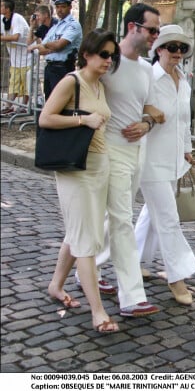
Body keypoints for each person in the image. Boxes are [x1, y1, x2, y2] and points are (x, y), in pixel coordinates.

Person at [79, 3, 164, 318]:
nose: (156, 35)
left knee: (108, 217)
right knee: (121, 221)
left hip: (136, 153)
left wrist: (146, 124)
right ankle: (132, 297)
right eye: (152, 29)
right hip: (108, 150)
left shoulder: (146, 68)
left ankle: (85, 271)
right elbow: (83, 90)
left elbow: (151, 110)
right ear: (133, 27)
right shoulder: (108, 63)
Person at [40, 28, 121, 333]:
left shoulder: (99, 85)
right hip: (75, 168)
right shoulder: (71, 82)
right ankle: (98, 312)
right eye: (103, 54)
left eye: (111, 56)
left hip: (99, 166)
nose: (108, 60)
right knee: (86, 240)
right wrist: (82, 119)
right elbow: (45, 118)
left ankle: (56, 286)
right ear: (86, 53)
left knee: (78, 232)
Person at [133, 24, 195, 305]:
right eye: (171, 47)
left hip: (172, 160)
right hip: (149, 159)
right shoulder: (147, 76)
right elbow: (131, 106)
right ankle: (177, 277)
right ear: (158, 49)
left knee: (153, 213)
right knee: (169, 219)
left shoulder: (183, 80)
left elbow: (183, 120)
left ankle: (132, 261)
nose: (177, 53)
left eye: (181, 48)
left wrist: (186, 150)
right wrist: (149, 112)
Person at [27, 0, 82, 99]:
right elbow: (42, 50)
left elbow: (59, 45)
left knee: (59, 101)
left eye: (63, 7)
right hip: (50, 67)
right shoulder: (56, 26)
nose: (59, 10)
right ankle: (39, 105)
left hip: (63, 67)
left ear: (70, 7)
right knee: (49, 99)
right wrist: (48, 46)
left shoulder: (73, 25)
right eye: (57, 7)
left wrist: (45, 45)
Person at [1, 0, 31, 115]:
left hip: (26, 56)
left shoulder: (17, 18)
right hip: (15, 57)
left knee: (25, 83)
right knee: (14, 82)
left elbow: (15, 37)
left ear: (7, 9)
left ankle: (24, 106)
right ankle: (9, 105)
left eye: (2, 6)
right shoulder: (2, 19)